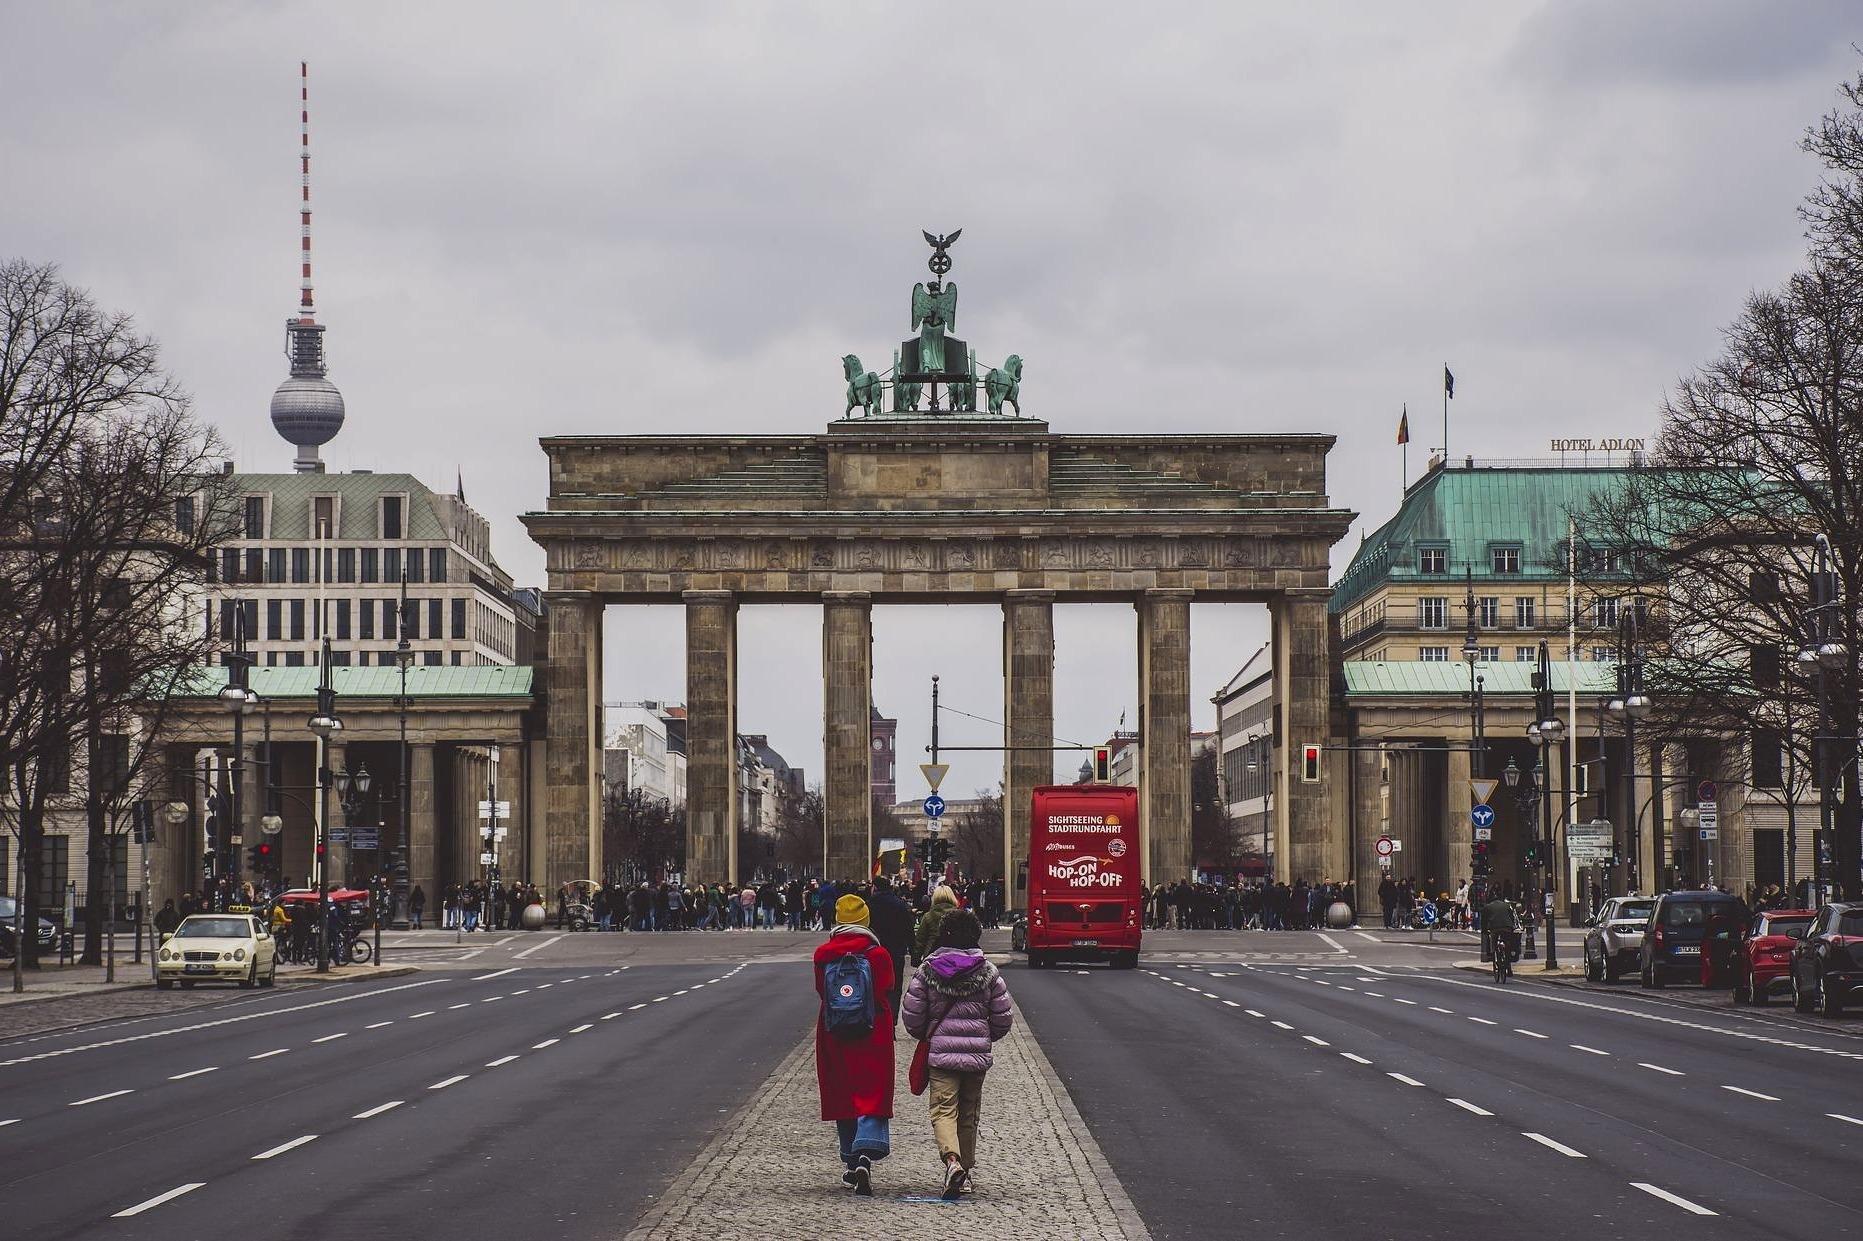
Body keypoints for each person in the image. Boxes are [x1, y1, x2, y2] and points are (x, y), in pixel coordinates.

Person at [901, 908, 1013, 1199]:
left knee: (943, 1110)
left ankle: (951, 1162)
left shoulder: (927, 971)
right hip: (976, 1056)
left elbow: (912, 1016)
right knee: (969, 1114)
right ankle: (966, 1171)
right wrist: (984, 1037)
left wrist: (927, 1035)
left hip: (941, 1056)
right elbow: (1002, 1018)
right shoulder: (988, 972)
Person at [813, 893, 895, 1196]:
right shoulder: (878, 954)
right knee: (871, 1089)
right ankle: (866, 1152)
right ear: (865, 921)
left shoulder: (823, 954)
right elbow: (886, 987)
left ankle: (849, 1158)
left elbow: (822, 991)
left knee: (843, 1090)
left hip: (835, 1030)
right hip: (873, 1029)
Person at [866, 878, 916, 1021]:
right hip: (896, 951)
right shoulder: (899, 905)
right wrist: (913, 951)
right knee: (894, 987)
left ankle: (877, 1017)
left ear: (875, 888)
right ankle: (891, 1018)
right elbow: (909, 929)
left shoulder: (870, 905)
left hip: (873, 951)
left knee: (874, 985)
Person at [914, 885, 960, 964]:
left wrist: (916, 958)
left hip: (932, 956)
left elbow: (920, 940)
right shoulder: (960, 915)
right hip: (955, 956)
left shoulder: (928, 916)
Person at [1481, 892, 1520, 963]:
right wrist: (1513, 927)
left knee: (1493, 940)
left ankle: (1493, 953)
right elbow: (1511, 917)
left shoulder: (1487, 907)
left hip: (1494, 927)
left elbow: (1484, 921)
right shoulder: (1507, 905)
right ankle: (1508, 959)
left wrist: (1484, 930)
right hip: (1507, 927)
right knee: (1508, 941)